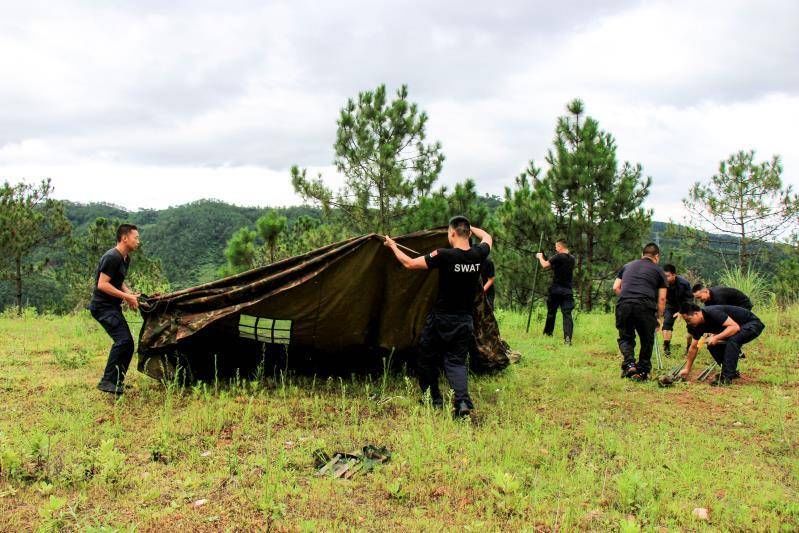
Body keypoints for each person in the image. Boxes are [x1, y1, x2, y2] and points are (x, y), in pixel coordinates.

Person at [384, 216, 492, 417]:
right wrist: (469, 228)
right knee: (456, 362)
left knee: (427, 357)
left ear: (451, 233)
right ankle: (462, 404)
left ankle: (433, 399)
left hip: (441, 319)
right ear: (468, 233)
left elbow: (408, 263)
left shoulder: (444, 255)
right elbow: (487, 237)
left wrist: (392, 245)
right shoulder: (479, 254)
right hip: (464, 320)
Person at [88, 224, 141, 395]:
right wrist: (126, 297)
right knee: (123, 341)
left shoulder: (125, 258)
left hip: (112, 306)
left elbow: (118, 281)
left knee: (128, 344)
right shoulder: (112, 257)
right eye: (136, 237)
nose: (138, 241)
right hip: (102, 307)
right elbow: (102, 284)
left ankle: (117, 381)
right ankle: (107, 381)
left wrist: (130, 295)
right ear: (125, 238)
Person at [613, 243, 667, 381]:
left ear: (642, 254)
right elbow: (662, 298)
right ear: (657, 256)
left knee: (626, 337)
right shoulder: (659, 271)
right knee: (647, 339)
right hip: (645, 305)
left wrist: (627, 298)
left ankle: (629, 364)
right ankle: (642, 371)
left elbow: (615, 287)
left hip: (624, 304)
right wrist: (659, 317)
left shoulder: (627, 266)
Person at [678, 303, 765, 386]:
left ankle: (727, 377)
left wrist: (716, 337)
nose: (688, 323)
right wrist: (687, 369)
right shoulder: (695, 325)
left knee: (733, 340)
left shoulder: (712, 312)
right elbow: (693, 347)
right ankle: (731, 372)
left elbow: (735, 327)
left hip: (752, 324)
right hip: (735, 328)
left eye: (688, 320)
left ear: (696, 314)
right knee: (712, 344)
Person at [536, 239, 575, 345]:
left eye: (556, 247)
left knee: (551, 312)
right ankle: (568, 339)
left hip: (556, 290)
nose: (555, 249)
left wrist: (540, 257)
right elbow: (557, 267)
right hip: (567, 290)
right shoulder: (572, 259)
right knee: (567, 314)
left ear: (560, 247)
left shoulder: (558, 256)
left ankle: (548, 333)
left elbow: (544, 265)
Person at [662, 264, 693, 356]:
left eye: (667, 276)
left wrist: (681, 312)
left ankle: (689, 348)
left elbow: (689, 300)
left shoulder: (684, 283)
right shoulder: (662, 282)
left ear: (674, 275)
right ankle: (666, 348)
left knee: (691, 326)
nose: (665, 278)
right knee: (666, 324)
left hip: (685, 305)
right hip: (670, 305)